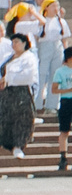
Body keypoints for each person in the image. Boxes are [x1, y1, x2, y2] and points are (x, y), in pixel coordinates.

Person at [0, 29, 36, 160]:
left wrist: (8, 79)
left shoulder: (29, 58)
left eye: (17, 42)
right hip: (6, 93)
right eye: (12, 42)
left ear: (24, 43)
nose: (14, 45)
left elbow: (28, 76)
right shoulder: (8, 57)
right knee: (4, 118)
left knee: (21, 120)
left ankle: (18, 146)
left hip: (21, 92)